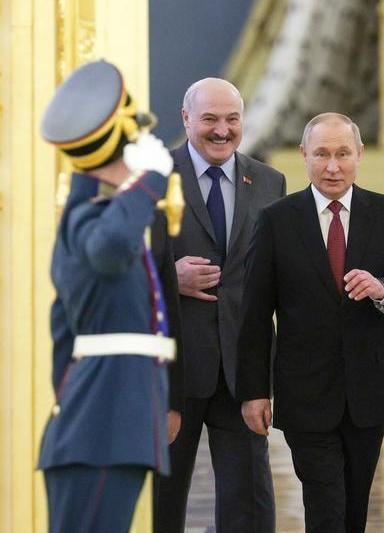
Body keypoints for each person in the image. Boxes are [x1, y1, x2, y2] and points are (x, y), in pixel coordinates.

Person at [236, 112, 384, 533]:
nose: (332, 166)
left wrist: (382, 288)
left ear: (360, 154)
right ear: (304, 155)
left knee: (354, 509)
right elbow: (255, 312)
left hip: (369, 391)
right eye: (321, 154)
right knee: (325, 506)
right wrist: (254, 391)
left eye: (342, 154)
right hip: (305, 394)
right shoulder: (276, 220)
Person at [38, 59, 178, 533]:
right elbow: (113, 246)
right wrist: (151, 179)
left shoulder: (81, 222)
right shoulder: (95, 226)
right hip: (104, 427)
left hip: (97, 425)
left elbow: (63, 337)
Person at [152, 78, 286, 533]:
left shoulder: (269, 181)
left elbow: (275, 276)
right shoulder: (153, 178)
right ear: (186, 118)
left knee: (250, 508)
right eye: (209, 119)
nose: (222, 130)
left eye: (232, 119)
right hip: (172, 374)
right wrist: (170, 277)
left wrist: (269, 379)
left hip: (242, 374)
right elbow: (123, 266)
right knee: (161, 503)